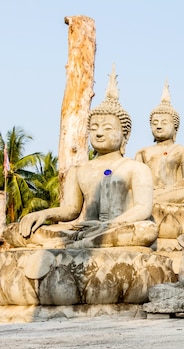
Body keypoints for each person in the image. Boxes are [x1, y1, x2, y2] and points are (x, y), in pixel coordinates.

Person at [4, 66, 157, 249]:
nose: (99, 133)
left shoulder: (136, 168)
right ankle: (79, 243)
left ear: (125, 136)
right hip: (84, 229)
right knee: (14, 231)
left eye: (107, 128)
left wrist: (109, 225)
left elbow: (142, 208)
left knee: (145, 230)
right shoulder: (79, 170)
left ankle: (75, 244)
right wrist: (44, 214)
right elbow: (71, 210)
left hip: (117, 228)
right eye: (93, 128)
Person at [135, 81, 184, 204]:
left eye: (164, 123)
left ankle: (152, 200)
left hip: (172, 192)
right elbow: (134, 180)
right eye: (154, 123)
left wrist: (168, 189)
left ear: (175, 127)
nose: (158, 126)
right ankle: (150, 199)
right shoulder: (143, 152)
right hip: (148, 192)